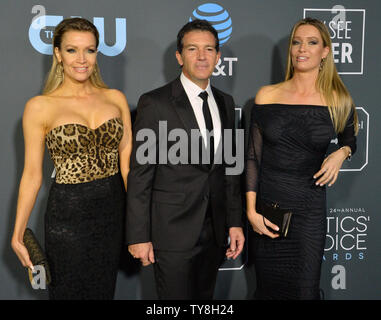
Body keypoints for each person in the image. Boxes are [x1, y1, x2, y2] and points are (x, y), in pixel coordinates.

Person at [11, 18, 132, 299]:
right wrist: (18, 235)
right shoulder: (40, 106)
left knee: (104, 291)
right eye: (71, 50)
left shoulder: (115, 99)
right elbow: (31, 175)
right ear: (57, 54)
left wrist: (139, 222)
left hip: (112, 213)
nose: (82, 59)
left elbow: (127, 167)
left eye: (89, 50)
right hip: (68, 215)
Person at [126, 19, 244, 299]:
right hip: (172, 231)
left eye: (209, 49)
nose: (202, 56)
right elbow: (140, 174)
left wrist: (234, 222)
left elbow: (231, 168)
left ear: (217, 56)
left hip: (215, 232)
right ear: (179, 56)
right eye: (193, 49)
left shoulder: (226, 102)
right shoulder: (155, 103)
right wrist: (139, 236)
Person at [245, 17, 358, 300]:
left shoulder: (338, 100)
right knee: (268, 289)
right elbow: (252, 159)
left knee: (304, 290)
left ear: (325, 51)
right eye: (296, 42)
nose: (301, 49)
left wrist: (341, 154)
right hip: (269, 210)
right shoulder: (267, 95)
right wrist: (250, 212)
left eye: (311, 42)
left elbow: (349, 140)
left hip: (309, 210)